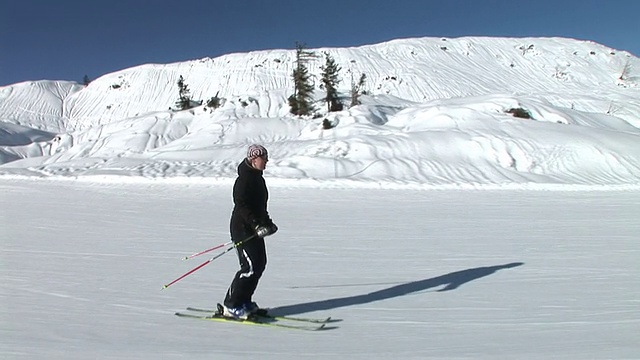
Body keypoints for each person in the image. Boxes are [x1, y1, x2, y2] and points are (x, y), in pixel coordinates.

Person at [222, 144, 278, 319]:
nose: (266, 162)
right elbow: (242, 206)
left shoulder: (258, 179)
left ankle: (244, 301)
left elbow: (260, 206)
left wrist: (267, 223)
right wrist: (256, 225)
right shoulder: (244, 180)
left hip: (253, 229)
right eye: (264, 158)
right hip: (242, 229)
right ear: (254, 159)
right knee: (249, 267)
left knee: (259, 264)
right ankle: (231, 305)